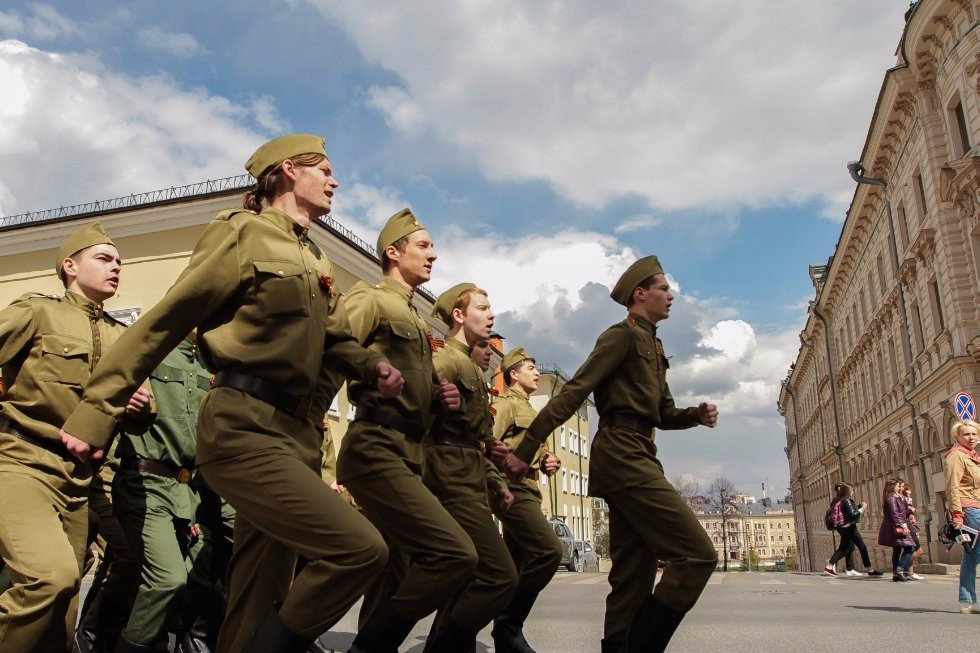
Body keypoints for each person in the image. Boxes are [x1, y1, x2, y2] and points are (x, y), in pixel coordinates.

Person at [59, 133, 402, 652]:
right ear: (289, 170)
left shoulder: (314, 259)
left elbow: (332, 336)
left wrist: (373, 367)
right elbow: (166, 320)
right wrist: (96, 410)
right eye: (325, 170)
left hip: (295, 435)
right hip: (244, 427)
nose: (336, 181)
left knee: (258, 590)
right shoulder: (242, 234)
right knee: (359, 549)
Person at [499, 255, 719, 653]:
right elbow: (574, 391)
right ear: (641, 293)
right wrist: (527, 448)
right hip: (622, 455)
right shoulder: (620, 336)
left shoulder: (653, 344)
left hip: (639, 452)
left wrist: (694, 416)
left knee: (632, 575)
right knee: (696, 555)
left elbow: (662, 413)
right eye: (663, 288)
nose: (671, 296)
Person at [0, 222, 151, 653]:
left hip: (81, 479)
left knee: (64, 600)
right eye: (104, 258)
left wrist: (140, 405)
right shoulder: (36, 311)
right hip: (22, 460)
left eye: (119, 262)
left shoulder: (124, 337)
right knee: (49, 578)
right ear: (70, 266)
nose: (116, 268)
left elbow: (144, 416)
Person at [337, 209, 477, 653]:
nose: (433, 254)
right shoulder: (371, 299)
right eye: (423, 245)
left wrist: (440, 399)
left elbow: (412, 391)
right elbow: (332, 343)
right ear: (393, 253)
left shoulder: (415, 318)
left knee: (395, 568)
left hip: (408, 452)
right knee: (456, 555)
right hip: (376, 445)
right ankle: (371, 646)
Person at [110, 333, 228, 651]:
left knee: (196, 577)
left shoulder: (212, 364)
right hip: (145, 481)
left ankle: (170, 637)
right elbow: (105, 399)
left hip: (189, 489)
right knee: (167, 579)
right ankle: (111, 636)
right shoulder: (147, 351)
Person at [420, 283, 518, 650]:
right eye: (483, 307)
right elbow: (415, 400)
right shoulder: (446, 359)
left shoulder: (471, 368)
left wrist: (495, 479)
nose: (492, 314)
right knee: (499, 574)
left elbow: (476, 437)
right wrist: (433, 396)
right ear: (459, 316)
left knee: (467, 572)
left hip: (469, 476)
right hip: (448, 476)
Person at [488, 346, 563, 653]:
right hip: (512, 488)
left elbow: (536, 449)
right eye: (530, 368)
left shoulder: (531, 410)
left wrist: (548, 460)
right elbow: (488, 441)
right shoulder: (504, 404)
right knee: (549, 551)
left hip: (531, 488)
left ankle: (501, 636)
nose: (536, 373)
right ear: (514, 373)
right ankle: (509, 624)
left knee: (511, 569)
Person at [943, 419, 980, 614]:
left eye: (974, 433)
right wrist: (957, 514)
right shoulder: (956, 456)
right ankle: (967, 599)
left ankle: (967, 601)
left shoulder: (973, 456)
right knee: (972, 555)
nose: (971, 437)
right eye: (966, 434)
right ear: (957, 436)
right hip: (970, 510)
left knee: (972, 555)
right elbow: (952, 487)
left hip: (977, 508)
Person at [824, 482, 882, 577]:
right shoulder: (845, 501)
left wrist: (858, 507)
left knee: (845, 547)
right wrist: (863, 508)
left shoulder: (840, 500)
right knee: (862, 547)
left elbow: (848, 512)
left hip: (843, 527)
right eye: (851, 490)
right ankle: (869, 569)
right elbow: (852, 515)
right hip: (849, 527)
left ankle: (833, 566)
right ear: (847, 491)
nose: (853, 492)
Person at [877, 478, 916, 582]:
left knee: (897, 549)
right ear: (893, 487)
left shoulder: (895, 497)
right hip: (896, 527)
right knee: (910, 547)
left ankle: (895, 574)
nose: (900, 488)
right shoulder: (892, 498)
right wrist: (904, 526)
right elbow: (895, 513)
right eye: (898, 486)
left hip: (893, 526)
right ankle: (900, 569)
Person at [900, 481, 924, 581]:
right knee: (917, 550)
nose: (910, 491)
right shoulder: (903, 500)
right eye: (908, 489)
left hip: (912, 525)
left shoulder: (907, 500)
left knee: (912, 549)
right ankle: (903, 569)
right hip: (907, 526)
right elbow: (903, 513)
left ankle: (910, 572)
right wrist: (911, 510)